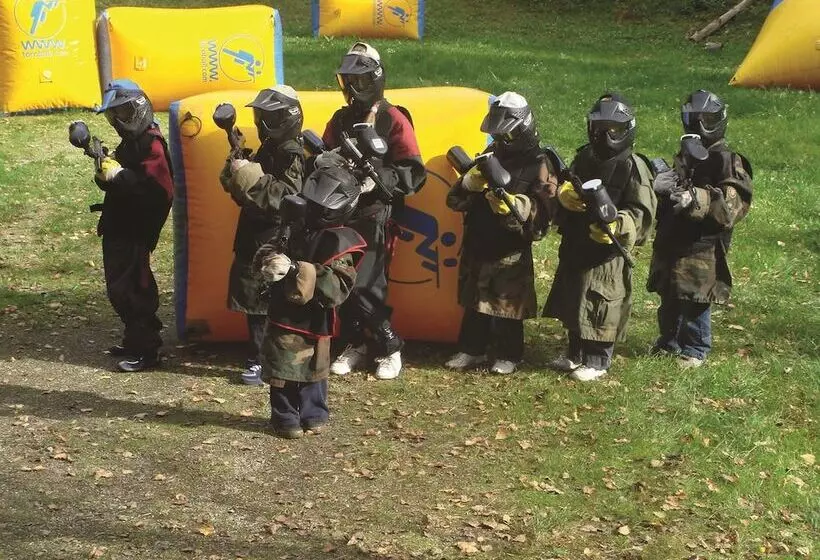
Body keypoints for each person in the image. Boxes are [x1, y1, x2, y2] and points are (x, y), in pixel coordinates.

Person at [323, 41, 426, 380]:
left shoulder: (393, 119)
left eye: (361, 81)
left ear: (377, 79)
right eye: (348, 82)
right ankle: (356, 344)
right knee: (341, 280)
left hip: (375, 215)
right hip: (339, 212)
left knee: (367, 283)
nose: (353, 89)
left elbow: (413, 171)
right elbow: (324, 155)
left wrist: (377, 180)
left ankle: (389, 347)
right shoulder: (339, 119)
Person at [543, 92, 656, 382]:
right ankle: (574, 353)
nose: (605, 136)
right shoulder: (584, 157)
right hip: (577, 243)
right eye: (599, 128)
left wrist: (619, 226)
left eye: (614, 130)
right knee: (574, 299)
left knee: (602, 304)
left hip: (608, 254)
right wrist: (564, 196)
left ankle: (598, 359)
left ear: (626, 130)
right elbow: (568, 185)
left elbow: (643, 214)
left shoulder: (635, 167)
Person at [444, 92, 557, 374]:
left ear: (522, 129)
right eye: (497, 135)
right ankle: (472, 349)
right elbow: (454, 202)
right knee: (474, 304)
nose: (500, 140)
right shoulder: (491, 155)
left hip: (510, 250)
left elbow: (543, 220)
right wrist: (468, 184)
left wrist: (514, 207)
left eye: (504, 135)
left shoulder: (540, 163)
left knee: (508, 307)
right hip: (479, 242)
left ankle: (510, 354)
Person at [253, 154, 366, 438]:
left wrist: (295, 269)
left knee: (315, 370)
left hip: (316, 320)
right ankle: (286, 419)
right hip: (283, 314)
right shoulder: (293, 226)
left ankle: (314, 415)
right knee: (281, 371)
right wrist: (269, 261)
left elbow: (338, 289)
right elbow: (267, 252)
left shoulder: (340, 241)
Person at [647, 89, 753, 368]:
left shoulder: (729, 161)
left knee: (695, 299)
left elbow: (733, 205)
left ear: (718, 121)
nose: (698, 127)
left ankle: (695, 348)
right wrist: (663, 187)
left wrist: (699, 199)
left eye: (705, 120)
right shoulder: (686, 153)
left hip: (703, 245)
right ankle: (668, 342)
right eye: (692, 119)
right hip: (673, 237)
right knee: (669, 294)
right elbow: (675, 186)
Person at [219, 85, 305, 385]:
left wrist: (252, 176)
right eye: (259, 115)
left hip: (276, 236)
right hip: (254, 233)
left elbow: (290, 197)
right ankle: (258, 357)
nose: (259, 121)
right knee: (254, 301)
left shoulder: (292, 152)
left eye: (265, 115)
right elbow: (242, 191)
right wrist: (237, 163)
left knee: (268, 300)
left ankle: (262, 360)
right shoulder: (270, 147)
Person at [93, 79, 173, 372]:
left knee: (133, 289)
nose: (119, 121)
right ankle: (134, 339)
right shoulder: (133, 142)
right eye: (115, 115)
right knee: (120, 287)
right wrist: (104, 174)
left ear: (139, 108)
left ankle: (147, 350)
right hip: (121, 226)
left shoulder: (151, 144)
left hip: (135, 230)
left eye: (124, 113)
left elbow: (159, 191)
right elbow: (123, 182)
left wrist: (118, 176)